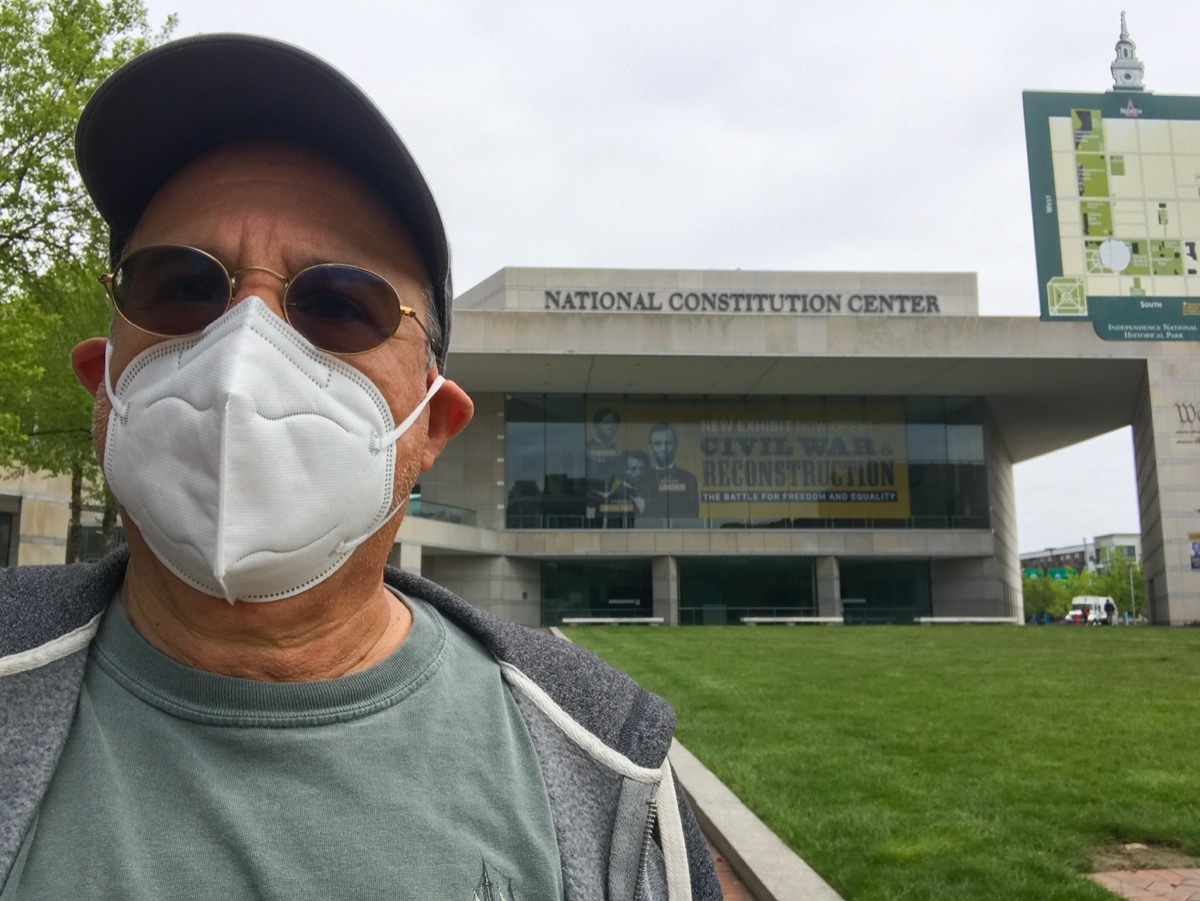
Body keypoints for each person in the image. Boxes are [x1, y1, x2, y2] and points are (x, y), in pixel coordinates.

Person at [0, 34, 719, 899]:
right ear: (103, 387)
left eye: (339, 304)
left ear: (433, 425)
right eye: (182, 285)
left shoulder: (606, 770)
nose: (240, 359)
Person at [644, 422, 700, 520]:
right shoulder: (643, 479)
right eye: (658, 444)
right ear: (650, 448)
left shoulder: (688, 478)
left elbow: (692, 516)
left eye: (668, 443)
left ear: (676, 445)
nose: (663, 449)